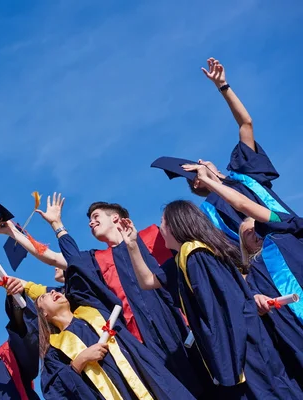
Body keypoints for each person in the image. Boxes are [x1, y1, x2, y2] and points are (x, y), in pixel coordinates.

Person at [0, 193, 204, 397]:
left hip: (178, 322)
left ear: (115, 217)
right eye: (89, 220)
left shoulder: (151, 235)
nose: (90, 223)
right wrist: (17, 233)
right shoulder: (96, 260)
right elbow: (52, 257)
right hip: (138, 342)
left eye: (96, 217)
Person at [120, 198, 303, 398]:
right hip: (238, 346)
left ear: (176, 224)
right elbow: (147, 281)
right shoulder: (182, 259)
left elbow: (225, 305)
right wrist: (132, 244)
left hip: (241, 345)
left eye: (163, 222)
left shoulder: (196, 253)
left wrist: (225, 355)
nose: (160, 228)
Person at [152, 57, 297, 243]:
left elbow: (246, 124)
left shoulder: (245, 175)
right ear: (197, 182)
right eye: (198, 165)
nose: (202, 161)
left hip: (294, 236)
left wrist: (222, 85)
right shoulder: (208, 214)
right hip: (269, 264)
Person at [183, 162, 303, 387]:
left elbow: (242, 203)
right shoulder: (254, 275)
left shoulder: (282, 231)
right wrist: (257, 300)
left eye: (257, 227)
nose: (255, 232)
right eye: (248, 232)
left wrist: (210, 178)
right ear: (243, 245)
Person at [9, 260, 198, 399]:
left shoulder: (95, 310)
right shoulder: (55, 350)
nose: (53, 292)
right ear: (44, 315)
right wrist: (79, 362)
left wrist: (57, 226)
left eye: (55, 291)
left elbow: (79, 273)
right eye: (43, 298)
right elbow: (55, 391)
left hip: (149, 383)